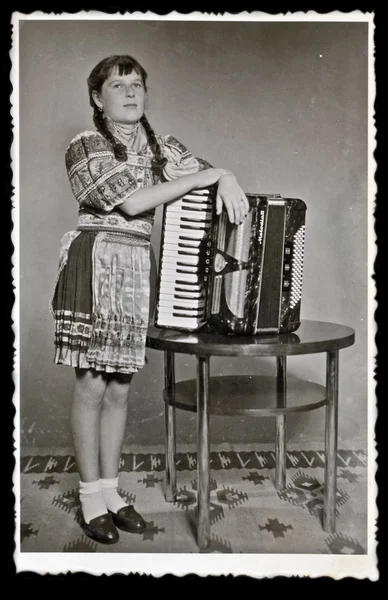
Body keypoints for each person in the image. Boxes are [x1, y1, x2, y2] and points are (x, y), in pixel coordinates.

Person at [51, 54, 249, 545]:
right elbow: (134, 202)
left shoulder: (162, 146)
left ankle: (113, 493)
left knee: (120, 387)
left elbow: (205, 173)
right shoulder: (86, 144)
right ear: (99, 98)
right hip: (96, 260)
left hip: (138, 265)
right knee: (93, 383)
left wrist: (224, 174)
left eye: (137, 83)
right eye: (118, 85)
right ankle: (89, 495)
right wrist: (207, 174)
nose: (131, 92)